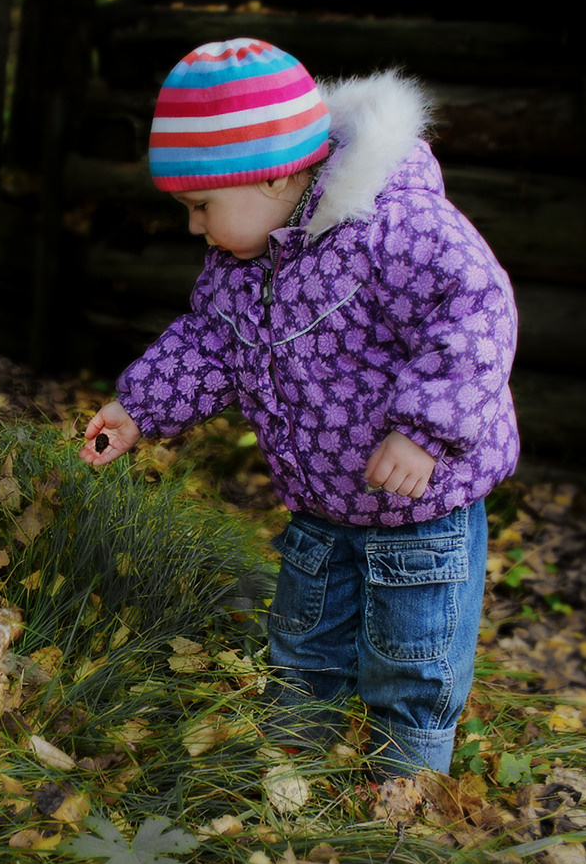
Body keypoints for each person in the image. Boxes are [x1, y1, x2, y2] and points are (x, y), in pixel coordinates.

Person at [80, 39, 519, 776]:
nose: (194, 227)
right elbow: (212, 343)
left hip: (421, 509)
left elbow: (478, 309)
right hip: (321, 508)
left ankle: (405, 791)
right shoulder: (240, 265)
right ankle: (293, 774)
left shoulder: (395, 227)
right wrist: (139, 409)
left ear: (273, 175)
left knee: (413, 660)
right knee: (305, 645)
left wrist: (424, 431)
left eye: (201, 207)